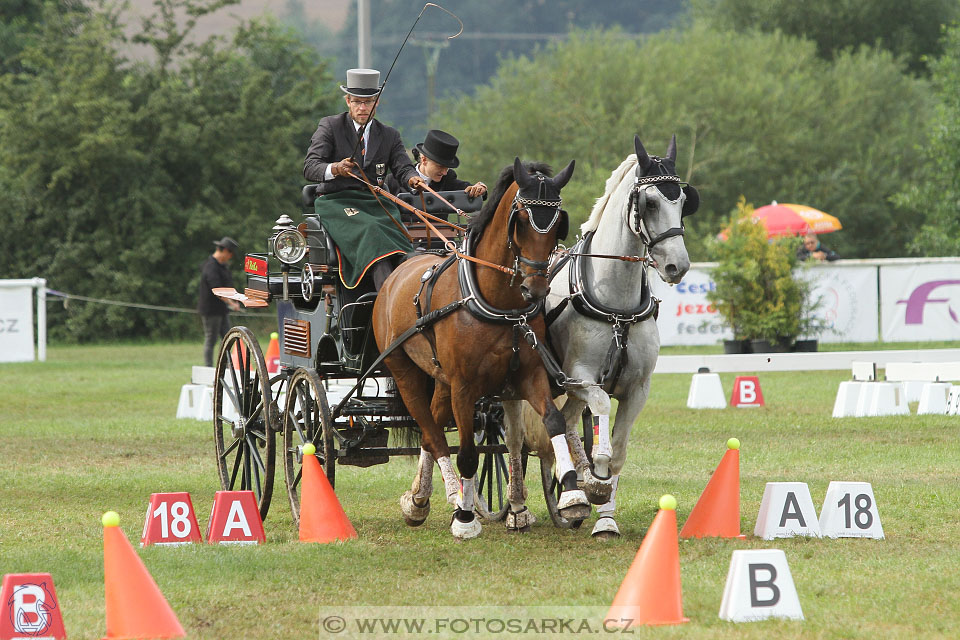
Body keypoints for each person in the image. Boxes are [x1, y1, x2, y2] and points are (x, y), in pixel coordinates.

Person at [302, 68, 426, 292]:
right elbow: (310, 167)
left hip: (376, 203)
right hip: (337, 202)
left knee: (401, 243)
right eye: (357, 102)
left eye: (368, 102)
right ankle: (386, 300)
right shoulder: (330, 126)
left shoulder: (389, 135)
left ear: (376, 103)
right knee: (372, 230)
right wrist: (336, 169)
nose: (362, 108)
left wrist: (413, 179)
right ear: (348, 101)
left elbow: (403, 167)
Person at [385, 129, 487, 199]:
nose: (444, 172)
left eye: (447, 168)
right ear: (424, 160)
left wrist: (480, 188)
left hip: (441, 230)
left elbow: (469, 188)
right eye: (440, 166)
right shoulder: (393, 181)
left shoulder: (448, 180)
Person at [198, 237, 240, 367]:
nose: (230, 257)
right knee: (211, 339)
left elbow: (226, 288)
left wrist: (232, 300)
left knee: (227, 338)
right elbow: (216, 289)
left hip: (222, 309)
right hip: (211, 310)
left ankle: (228, 368)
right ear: (225, 251)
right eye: (230, 254)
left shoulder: (222, 266)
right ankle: (208, 368)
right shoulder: (211, 266)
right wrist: (231, 303)